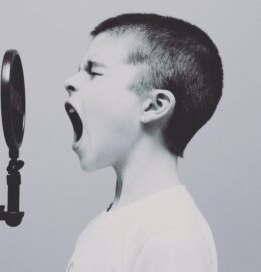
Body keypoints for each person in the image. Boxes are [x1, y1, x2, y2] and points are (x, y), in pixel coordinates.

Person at [64, 13, 223, 272]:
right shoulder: (105, 226)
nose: (69, 82)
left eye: (93, 71)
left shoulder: (173, 235)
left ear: (154, 105)